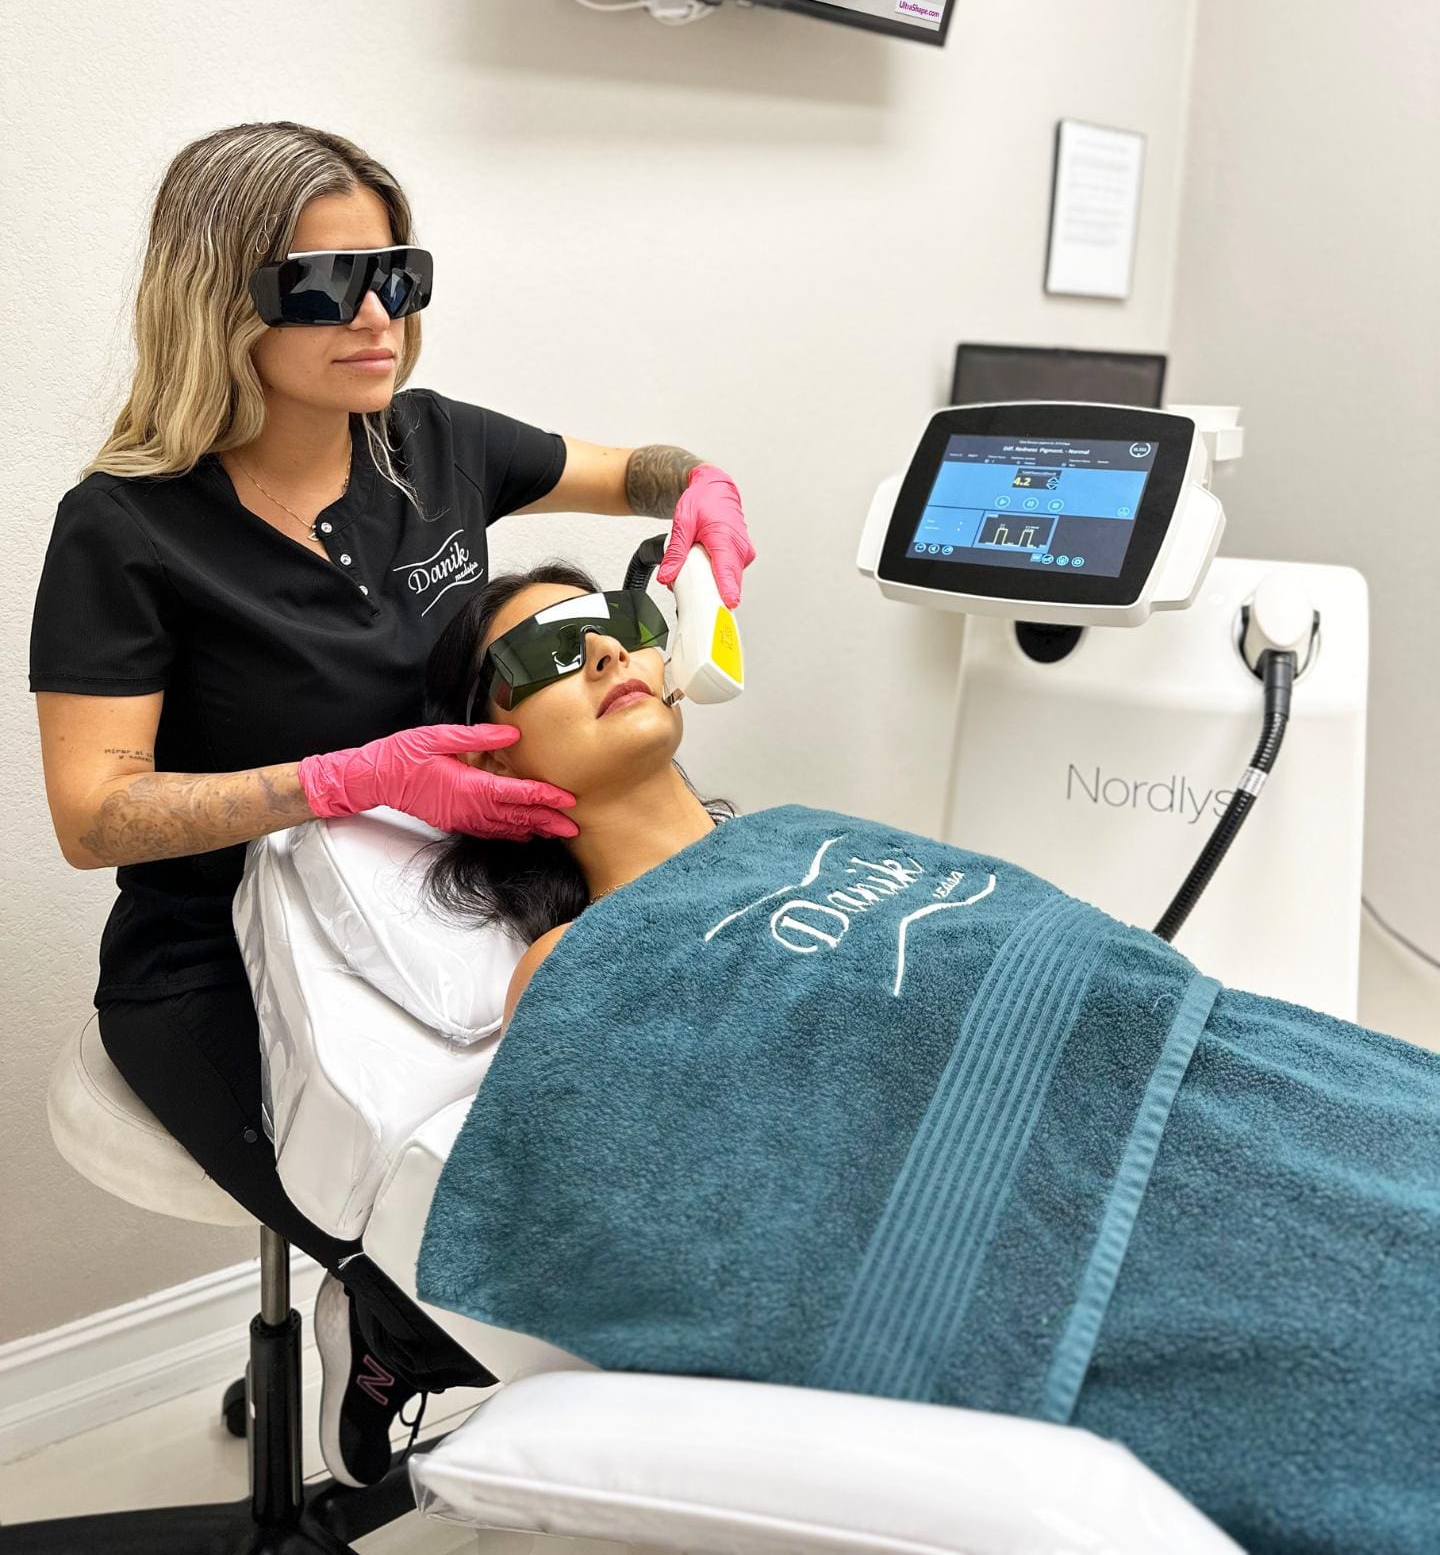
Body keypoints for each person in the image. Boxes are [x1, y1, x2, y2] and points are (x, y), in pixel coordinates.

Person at [412, 562, 1440, 1555]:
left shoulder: (805, 831)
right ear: (490, 754)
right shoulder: (576, 957)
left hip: (1228, 1059)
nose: (603, 650)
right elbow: (719, 1192)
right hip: (1095, 1209)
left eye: (626, 619)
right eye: (550, 650)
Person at [26, 122, 756, 1490]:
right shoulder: (126, 530)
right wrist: (345, 781)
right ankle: (387, 1330)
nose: (376, 319)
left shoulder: (430, 445)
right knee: (445, 1226)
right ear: (216, 297)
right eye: (322, 285)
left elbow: (638, 471)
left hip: (466, 895)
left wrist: (700, 485)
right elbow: (92, 816)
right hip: (228, 954)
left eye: (399, 275)